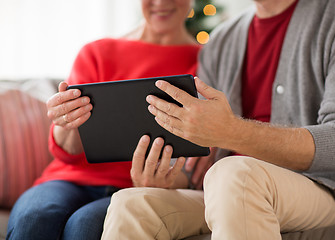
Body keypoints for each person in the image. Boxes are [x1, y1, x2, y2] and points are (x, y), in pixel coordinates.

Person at [101, 0, 335, 239]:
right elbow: (202, 162)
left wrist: (231, 131)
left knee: (235, 175)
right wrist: (165, 178)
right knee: (132, 203)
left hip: (325, 187)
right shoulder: (222, 40)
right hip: (229, 187)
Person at [6, 0, 200, 239]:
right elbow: (68, 150)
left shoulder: (205, 62)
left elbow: (197, 165)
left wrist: (165, 182)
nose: (160, 2)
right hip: (67, 179)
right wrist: (65, 121)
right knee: (34, 218)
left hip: (134, 189)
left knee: (84, 226)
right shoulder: (98, 52)